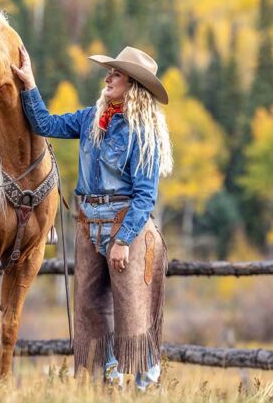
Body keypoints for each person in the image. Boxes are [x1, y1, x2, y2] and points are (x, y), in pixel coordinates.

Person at [11, 45, 173, 391]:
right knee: (90, 307)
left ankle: (148, 384)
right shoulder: (90, 119)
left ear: (133, 84)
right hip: (88, 224)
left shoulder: (143, 132)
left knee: (133, 308)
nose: (108, 77)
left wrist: (124, 240)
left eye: (116, 74)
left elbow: (145, 196)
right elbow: (45, 123)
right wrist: (30, 85)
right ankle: (107, 383)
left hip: (124, 224)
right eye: (110, 72)